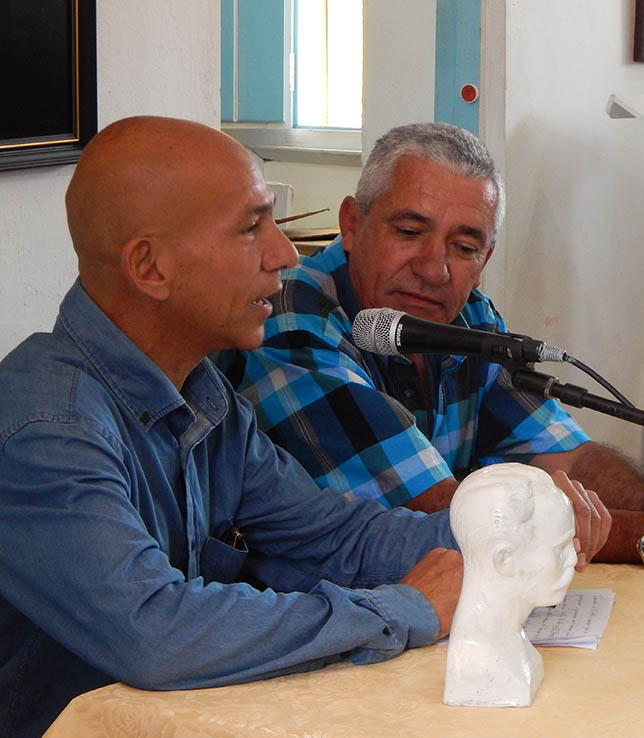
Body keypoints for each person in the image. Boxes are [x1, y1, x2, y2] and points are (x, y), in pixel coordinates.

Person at [0, 115, 562, 738]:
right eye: (251, 228)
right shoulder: (48, 426)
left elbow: (332, 536)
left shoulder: (202, 393)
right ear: (151, 269)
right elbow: (155, 629)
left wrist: (511, 533)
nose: (284, 253)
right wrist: (406, 609)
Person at [221, 121, 644, 575]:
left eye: (464, 245)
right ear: (351, 224)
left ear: (486, 259)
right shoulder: (294, 318)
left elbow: (563, 456)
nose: (433, 269)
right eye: (409, 232)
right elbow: (440, 514)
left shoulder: (468, 319)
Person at [443, 463, 577, 707]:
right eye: (560, 548)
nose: (574, 559)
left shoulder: (515, 647)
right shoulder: (476, 663)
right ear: (505, 559)